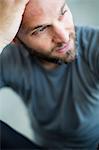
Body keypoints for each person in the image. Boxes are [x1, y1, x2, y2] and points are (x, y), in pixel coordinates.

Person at [0, 0, 99, 149]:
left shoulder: (94, 44)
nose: (64, 37)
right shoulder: (10, 59)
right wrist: (0, 36)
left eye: (63, 13)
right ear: (14, 38)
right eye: (41, 29)